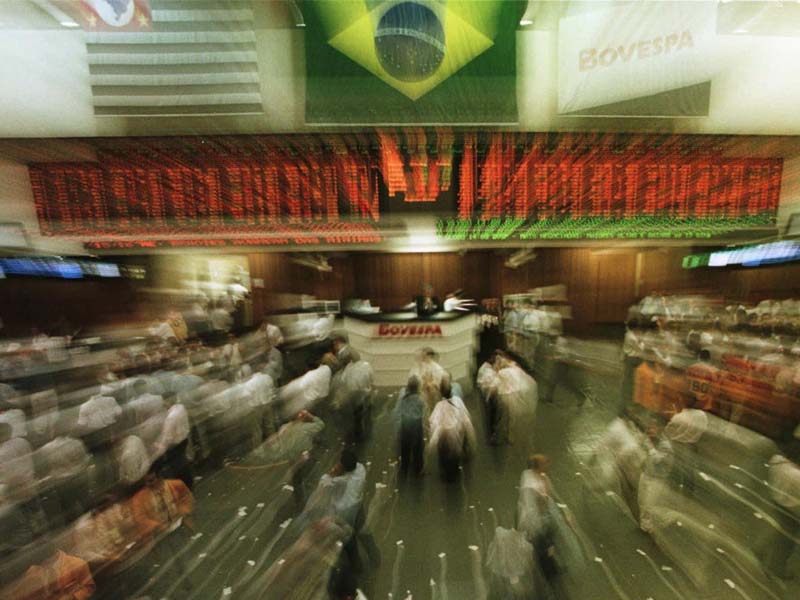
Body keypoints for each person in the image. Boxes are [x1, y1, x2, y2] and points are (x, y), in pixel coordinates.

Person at [427, 379, 476, 481]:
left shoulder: (439, 405)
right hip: (456, 435)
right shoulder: (458, 401)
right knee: (454, 457)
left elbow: (433, 422)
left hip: (443, 437)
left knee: (444, 458)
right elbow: (465, 417)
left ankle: (445, 475)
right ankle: (455, 475)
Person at [395, 376, 425, 476]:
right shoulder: (420, 399)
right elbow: (423, 410)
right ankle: (418, 469)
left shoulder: (403, 398)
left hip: (405, 425)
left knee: (405, 448)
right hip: (416, 426)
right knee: (418, 448)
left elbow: (398, 411)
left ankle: (404, 468)